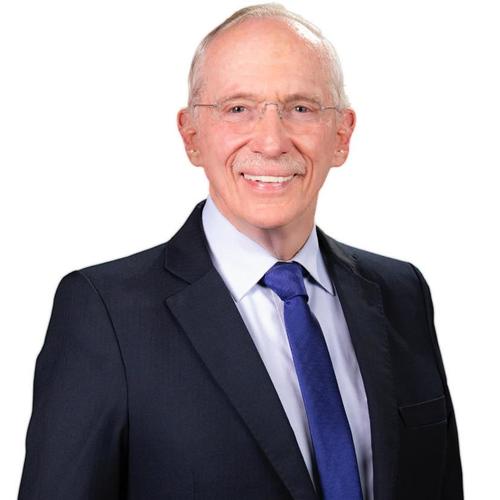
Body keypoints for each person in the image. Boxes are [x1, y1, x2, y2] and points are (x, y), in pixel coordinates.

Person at [18, 3, 463, 500]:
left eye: (300, 108)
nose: (271, 142)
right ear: (191, 136)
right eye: (238, 108)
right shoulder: (105, 313)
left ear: (342, 135)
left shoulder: (402, 294)